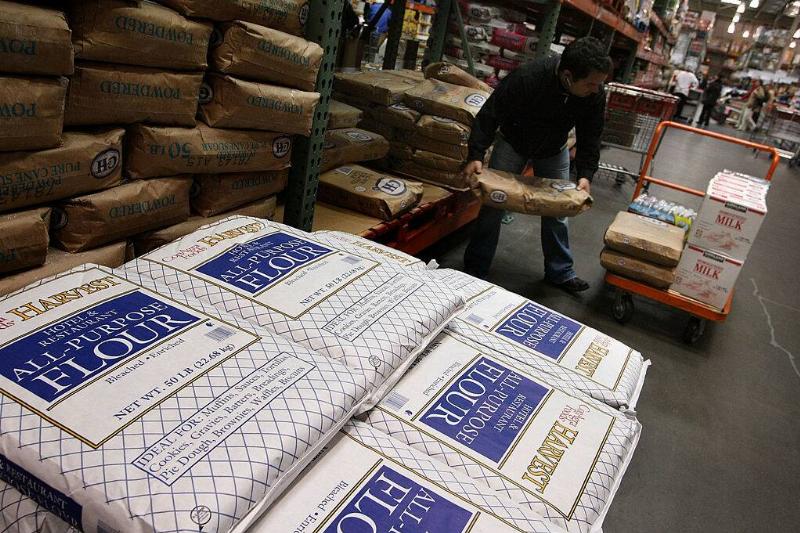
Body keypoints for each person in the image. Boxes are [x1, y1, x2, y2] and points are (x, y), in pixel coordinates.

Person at [461, 36, 611, 293]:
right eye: (590, 84)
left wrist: (586, 174)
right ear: (567, 76)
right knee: (493, 204)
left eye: (599, 84)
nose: (596, 89)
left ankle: (560, 272)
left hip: (554, 149)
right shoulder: (528, 78)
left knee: (558, 210)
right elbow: (490, 113)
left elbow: (591, 134)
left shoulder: (593, 94)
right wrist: (476, 154)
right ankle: (476, 268)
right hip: (513, 142)